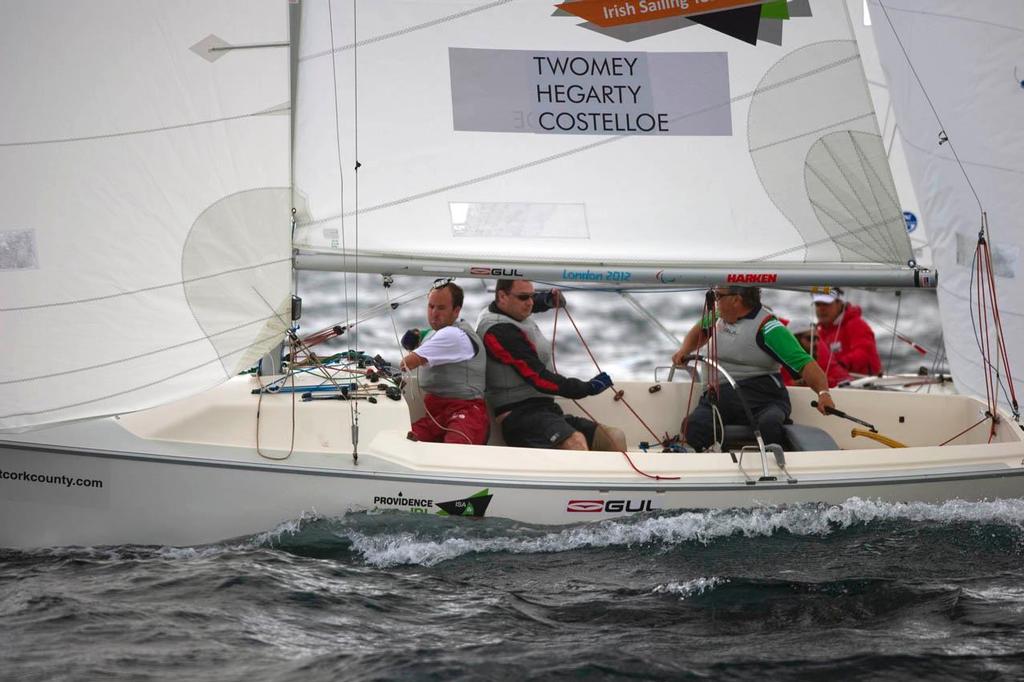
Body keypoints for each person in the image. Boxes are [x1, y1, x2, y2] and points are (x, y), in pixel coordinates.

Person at [671, 286, 836, 452]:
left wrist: (824, 394)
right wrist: (685, 350)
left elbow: (805, 364)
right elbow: (700, 331)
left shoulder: (769, 328)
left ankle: (778, 462)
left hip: (763, 398)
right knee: (693, 427)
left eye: (718, 296)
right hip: (720, 396)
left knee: (769, 425)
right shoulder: (718, 316)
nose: (715, 301)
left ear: (736, 299)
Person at [476, 279, 626, 451]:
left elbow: (527, 302)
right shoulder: (498, 332)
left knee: (614, 437)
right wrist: (587, 388)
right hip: (520, 418)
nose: (530, 303)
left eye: (532, 296)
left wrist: (546, 300)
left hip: (547, 412)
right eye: (525, 297)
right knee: (575, 443)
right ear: (502, 296)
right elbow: (539, 379)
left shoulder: (509, 308)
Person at [400, 282, 489, 445]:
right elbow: (428, 334)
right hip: (436, 415)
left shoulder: (454, 334)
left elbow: (407, 363)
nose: (434, 313)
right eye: (431, 306)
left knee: (452, 452)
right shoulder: (438, 332)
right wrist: (416, 335)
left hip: (466, 413)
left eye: (441, 308)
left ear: (456, 310)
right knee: (402, 442)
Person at [813, 287, 882, 387]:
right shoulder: (818, 332)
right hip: (835, 385)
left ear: (839, 303)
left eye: (826, 304)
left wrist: (840, 364)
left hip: (863, 385)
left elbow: (865, 352)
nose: (821, 309)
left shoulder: (856, 324)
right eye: (818, 304)